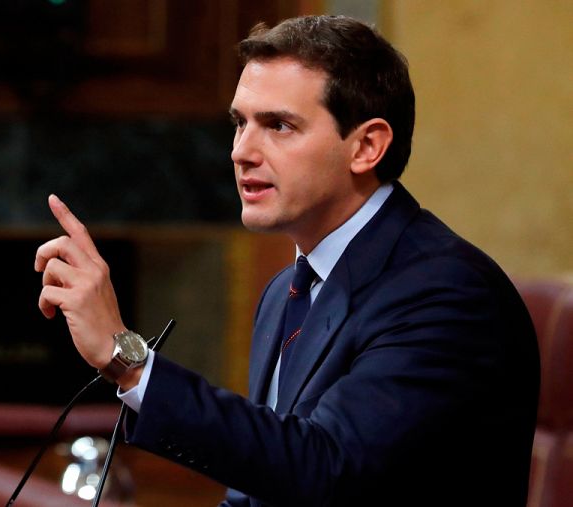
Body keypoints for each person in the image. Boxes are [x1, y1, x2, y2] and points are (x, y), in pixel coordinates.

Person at [34, 15, 539, 507]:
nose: (241, 152)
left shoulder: (447, 293)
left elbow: (325, 469)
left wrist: (128, 361)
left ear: (366, 145)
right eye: (240, 123)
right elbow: (257, 489)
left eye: (278, 125)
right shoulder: (286, 291)